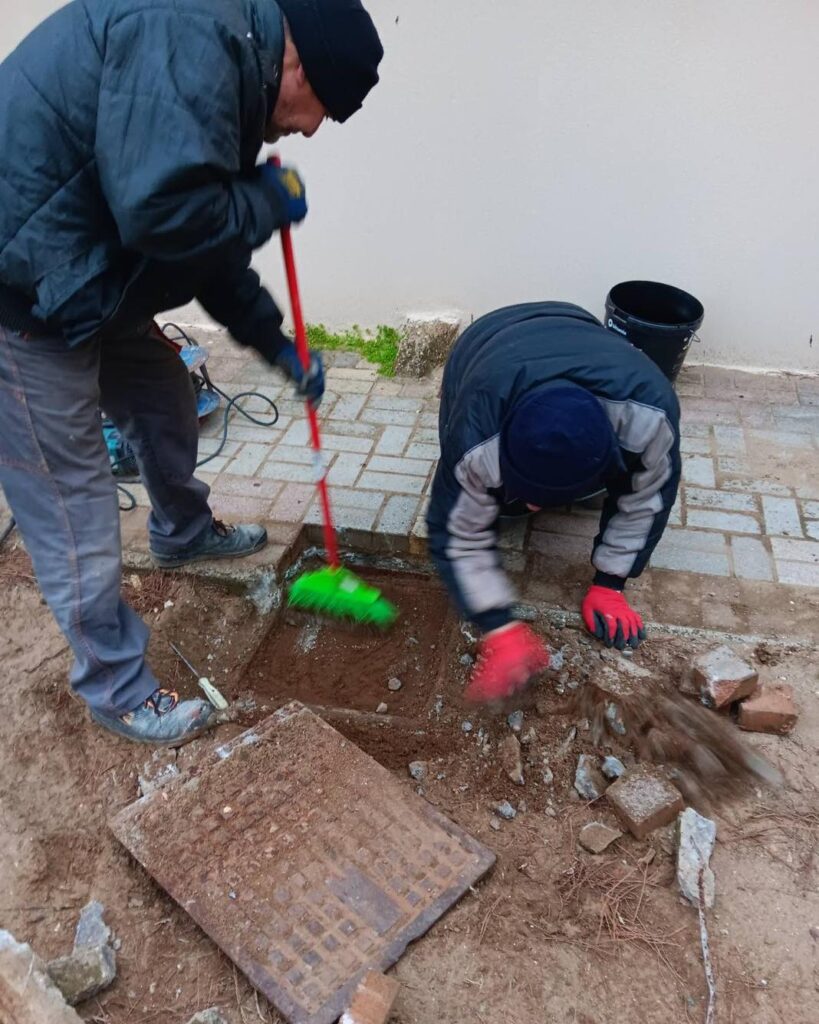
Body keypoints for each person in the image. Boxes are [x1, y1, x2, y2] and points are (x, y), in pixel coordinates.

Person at [0, 0, 383, 744]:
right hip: (24, 292)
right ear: (299, 68)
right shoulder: (186, 36)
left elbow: (206, 244)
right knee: (72, 493)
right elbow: (160, 214)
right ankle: (116, 688)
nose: (311, 132)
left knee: (164, 397)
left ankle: (182, 531)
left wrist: (277, 347)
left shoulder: (228, 76)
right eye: (323, 112)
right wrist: (262, 200)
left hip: (87, 277)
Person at [427, 302, 681, 703]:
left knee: (598, 491)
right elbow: (457, 532)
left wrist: (611, 582)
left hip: (573, 324)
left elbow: (646, 497)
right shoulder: (476, 429)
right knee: (493, 503)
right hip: (483, 345)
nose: (534, 509)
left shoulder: (649, 417)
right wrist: (498, 625)